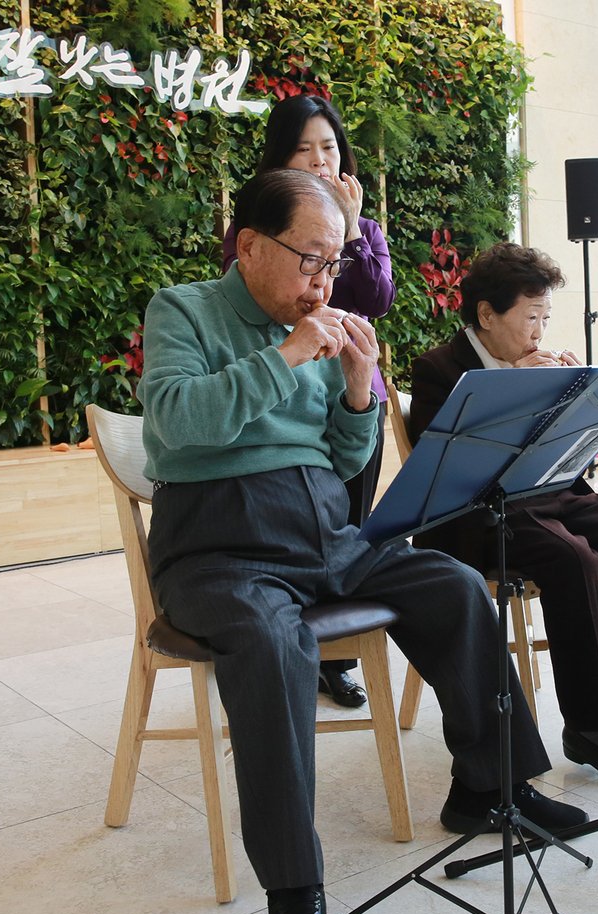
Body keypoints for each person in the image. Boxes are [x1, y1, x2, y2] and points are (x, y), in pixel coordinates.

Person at [140, 171, 585, 914]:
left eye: (333, 262)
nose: (324, 279)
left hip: (321, 530)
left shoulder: (321, 324)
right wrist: (285, 356)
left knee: (451, 584)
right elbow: (179, 423)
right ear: (249, 247)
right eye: (311, 258)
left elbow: (345, 462)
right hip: (217, 545)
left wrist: (355, 392)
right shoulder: (184, 309)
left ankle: (491, 786)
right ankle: (293, 886)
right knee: (273, 643)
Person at [408, 242, 598, 788]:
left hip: (552, 493)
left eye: (546, 317)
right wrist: (518, 388)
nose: (539, 331)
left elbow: (568, 454)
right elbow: (450, 470)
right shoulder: (438, 369)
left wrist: (581, 400)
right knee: (572, 556)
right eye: (530, 317)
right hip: (480, 512)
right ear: (487, 314)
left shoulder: (539, 357)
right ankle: (591, 726)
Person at [221, 94, 397, 710]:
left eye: (329, 146)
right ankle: (288, 641)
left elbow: (373, 297)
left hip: (352, 387)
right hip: (289, 388)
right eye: (304, 148)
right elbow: (259, 298)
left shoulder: (363, 226)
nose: (320, 159)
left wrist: (347, 229)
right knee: (297, 530)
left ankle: (338, 657)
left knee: (347, 524)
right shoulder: (261, 219)